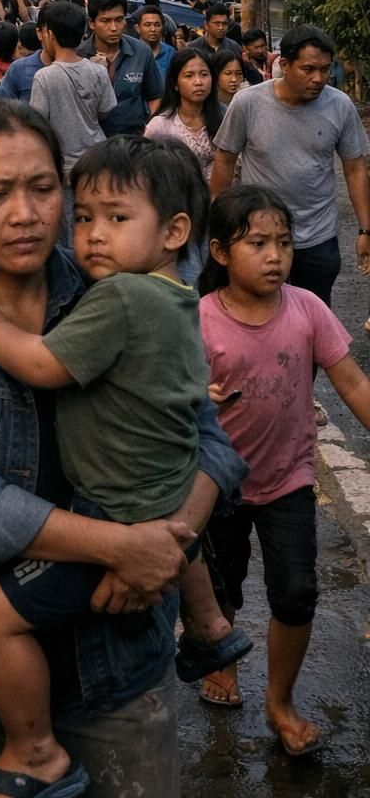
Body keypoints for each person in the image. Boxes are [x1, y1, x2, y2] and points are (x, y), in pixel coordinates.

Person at [0, 103, 247, 798]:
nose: (26, 214)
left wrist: (162, 546)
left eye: (43, 189)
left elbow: (208, 440)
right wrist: (118, 546)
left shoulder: (119, 292)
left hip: (116, 664)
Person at [198, 186, 370, 751]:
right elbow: (169, 399)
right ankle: (221, 659)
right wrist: (200, 397)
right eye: (258, 244)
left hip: (290, 478)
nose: (275, 256)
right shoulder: (198, 320)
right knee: (220, 585)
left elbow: (353, 383)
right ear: (221, 253)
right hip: (217, 484)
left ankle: (280, 700)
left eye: (284, 243)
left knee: (296, 592)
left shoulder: (308, 309)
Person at [211, 24, 370, 306]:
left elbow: (355, 169)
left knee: (314, 315)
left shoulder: (340, 105)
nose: (319, 78)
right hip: (257, 235)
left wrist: (365, 230)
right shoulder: (247, 103)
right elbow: (224, 162)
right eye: (309, 69)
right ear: (284, 64)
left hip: (318, 237)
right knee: (258, 312)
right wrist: (220, 225)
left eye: (325, 69)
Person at [28, 1, 116, 184]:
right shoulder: (99, 70)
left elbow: (37, 124)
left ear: (50, 34)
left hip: (64, 166)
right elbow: (106, 110)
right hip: (98, 160)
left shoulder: (44, 77)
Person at [79, 0, 163, 136]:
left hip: (134, 143)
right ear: (92, 23)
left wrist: (151, 129)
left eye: (119, 20)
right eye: (105, 21)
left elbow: (155, 96)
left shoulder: (141, 52)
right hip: (92, 145)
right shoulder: (79, 56)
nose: (113, 28)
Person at [145, 45, 222, 179]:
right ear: (175, 84)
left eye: (204, 74)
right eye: (189, 76)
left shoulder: (226, 116)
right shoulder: (159, 126)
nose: (198, 82)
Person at [134, 5, 175, 85]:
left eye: (157, 25)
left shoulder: (171, 53)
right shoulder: (129, 52)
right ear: (138, 28)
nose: (153, 29)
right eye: (147, 25)